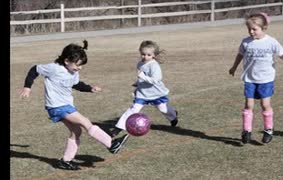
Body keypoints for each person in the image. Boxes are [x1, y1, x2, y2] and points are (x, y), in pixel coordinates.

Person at [19, 40, 129, 170]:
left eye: (81, 65)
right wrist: (27, 88)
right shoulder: (54, 68)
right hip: (57, 106)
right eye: (78, 65)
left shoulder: (74, 72)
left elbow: (76, 84)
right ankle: (111, 144)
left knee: (76, 132)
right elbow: (34, 69)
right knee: (85, 122)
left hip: (65, 105)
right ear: (66, 61)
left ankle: (65, 161)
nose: (80, 68)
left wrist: (89, 88)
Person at [228, 13, 283, 144]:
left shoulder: (271, 42)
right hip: (250, 79)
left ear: (264, 28)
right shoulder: (246, 42)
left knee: (265, 104)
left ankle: (268, 130)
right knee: (248, 105)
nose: (251, 31)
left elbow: (282, 55)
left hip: (266, 79)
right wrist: (233, 67)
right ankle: (246, 131)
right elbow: (240, 55)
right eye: (249, 29)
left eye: (254, 29)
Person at [110, 40, 178, 137]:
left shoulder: (154, 65)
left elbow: (156, 79)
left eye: (148, 55)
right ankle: (118, 128)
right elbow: (141, 77)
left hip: (156, 93)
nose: (145, 57)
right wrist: (137, 84)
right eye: (143, 54)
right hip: (143, 94)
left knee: (163, 109)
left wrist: (142, 76)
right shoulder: (140, 64)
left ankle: (173, 116)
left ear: (154, 55)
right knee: (133, 110)